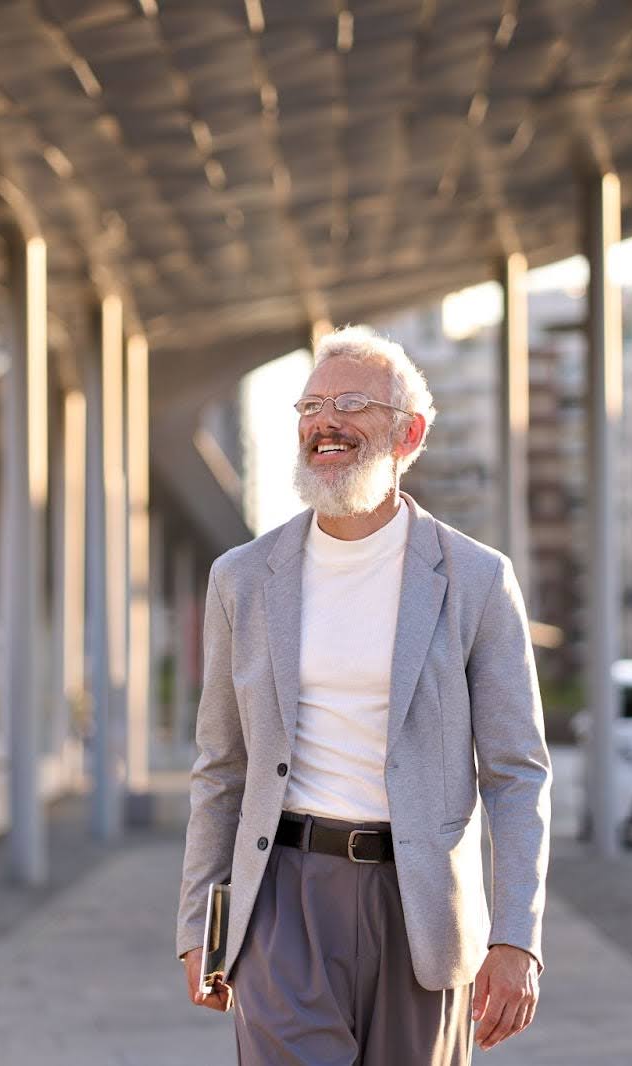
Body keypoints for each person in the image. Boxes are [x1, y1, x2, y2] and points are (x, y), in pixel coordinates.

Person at [175, 326, 552, 1064]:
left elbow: (517, 774)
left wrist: (516, 939)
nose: (325, 421)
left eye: (352, 403)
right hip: (284, 900)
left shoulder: (476, 579)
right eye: (311, 405)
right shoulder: (244, 579)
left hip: (425, 912)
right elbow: (221, 764)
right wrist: (200, 924)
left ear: (407, 433)